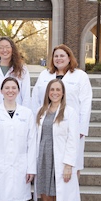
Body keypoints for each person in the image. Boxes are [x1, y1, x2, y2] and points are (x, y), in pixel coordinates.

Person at [31, 44, 92, 183]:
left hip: (71, 128)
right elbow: (35, 99)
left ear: (69, 58)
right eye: (56, 56)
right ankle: (50, 197)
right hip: (47, 126)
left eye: (62, 56)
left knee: (72, 164)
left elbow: (86, 103)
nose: (59, 59)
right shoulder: (45, 74)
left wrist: (81, 129)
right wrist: (36, 123)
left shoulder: (80, 76)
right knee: (49, 162)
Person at [34, 79, 80, 201]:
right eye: (52, 90)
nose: (54, 93)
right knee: (46, 199)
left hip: (60, 160)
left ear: (63, 93)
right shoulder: (41, 111)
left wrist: (68, 165)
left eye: (58, 90)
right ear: (48, 92)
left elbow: (73, 140)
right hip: (44, 159)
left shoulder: (69, 112)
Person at [0, 36, 31, 118]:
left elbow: (26, 96)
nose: (4, 50)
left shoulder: (22, 69)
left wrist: (24, 116)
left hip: (15, 114)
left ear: (12, 49)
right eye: (1, 47)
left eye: (7, 47)